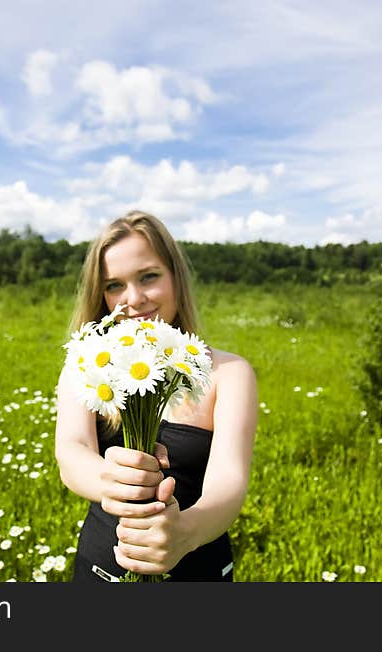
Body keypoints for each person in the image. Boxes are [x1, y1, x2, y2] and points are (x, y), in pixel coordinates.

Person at [54, 210, 258, 582]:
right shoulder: (87, 362)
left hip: (199, 564)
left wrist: (183, 534)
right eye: (114, 285)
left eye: (148, 277)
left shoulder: (229, 373)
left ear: (176, 277)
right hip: (102, 567)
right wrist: (109, 479)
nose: (133, 299)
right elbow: (71, 452)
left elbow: (229, 482)